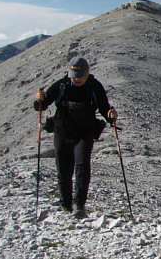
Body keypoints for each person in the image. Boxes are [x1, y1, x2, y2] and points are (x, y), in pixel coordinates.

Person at [34, 56, 118, 217]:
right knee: (63, 169)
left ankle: (79, 206)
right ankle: (65, 205)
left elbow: (104, 107)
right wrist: (39, 99)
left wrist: (111, 115)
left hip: (84, 132)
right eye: (74, 76)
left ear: (87, 72)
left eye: (80, 76)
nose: (77, 79)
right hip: (62, 131)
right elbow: (42, 106)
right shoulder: (61, 85)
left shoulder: (94, 86)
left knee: (82, 166)